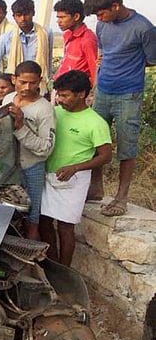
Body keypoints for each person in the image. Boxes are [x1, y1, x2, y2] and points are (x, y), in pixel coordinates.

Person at [83, 0, 156, 216]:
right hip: (103, 90)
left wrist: (130, 67)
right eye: (96, 15)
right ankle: (95, 188)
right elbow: (104, 57)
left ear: (116, 6)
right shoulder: (102, 25)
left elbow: (152, 59)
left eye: (101, 13)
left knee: (126, 144)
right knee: (96, 141)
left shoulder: (143, 28)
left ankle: (121, 197)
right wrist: (94, 90)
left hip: (129, 93)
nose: (99, 18)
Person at [40, 70, 112, 265]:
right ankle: (52, 264)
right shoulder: (55, 112)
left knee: (65, 227)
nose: (60, 99)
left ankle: (65, 271)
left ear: (81, 94)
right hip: (48, 175)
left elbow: (106, 156)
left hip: (73, 180)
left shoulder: (95, 123)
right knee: (44, 222)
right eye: (58, 95)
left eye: (65, 95)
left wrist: (76, 167)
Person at [2, 61, 55, 241]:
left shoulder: (44, 109)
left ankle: (31, 259)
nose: (27, 87)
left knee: (32, 216)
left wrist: (21, 127)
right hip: (8, 167)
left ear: (39, 81)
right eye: (22, 82)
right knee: (8, 213)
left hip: (32, 167)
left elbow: (46, 148)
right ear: (13, 79)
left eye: (33, 83)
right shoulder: (8, 99)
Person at [0, 0, 53, 91]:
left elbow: (48, 59)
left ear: (33, 13)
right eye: (19, 15)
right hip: (13, 86)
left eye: (26, 14)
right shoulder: (6, 38)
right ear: (14, 16)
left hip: (37, 85)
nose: (23, 19)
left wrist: (47, 81)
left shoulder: (46, 33)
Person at [53, 0, 98, 85]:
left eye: (62, 17)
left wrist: (92, 93)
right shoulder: (67, 35)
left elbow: (94, 69)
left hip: (76, 90)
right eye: (58, 17)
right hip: (62, 85)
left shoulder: (88, 39)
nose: (58, 21)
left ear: (76, 16)